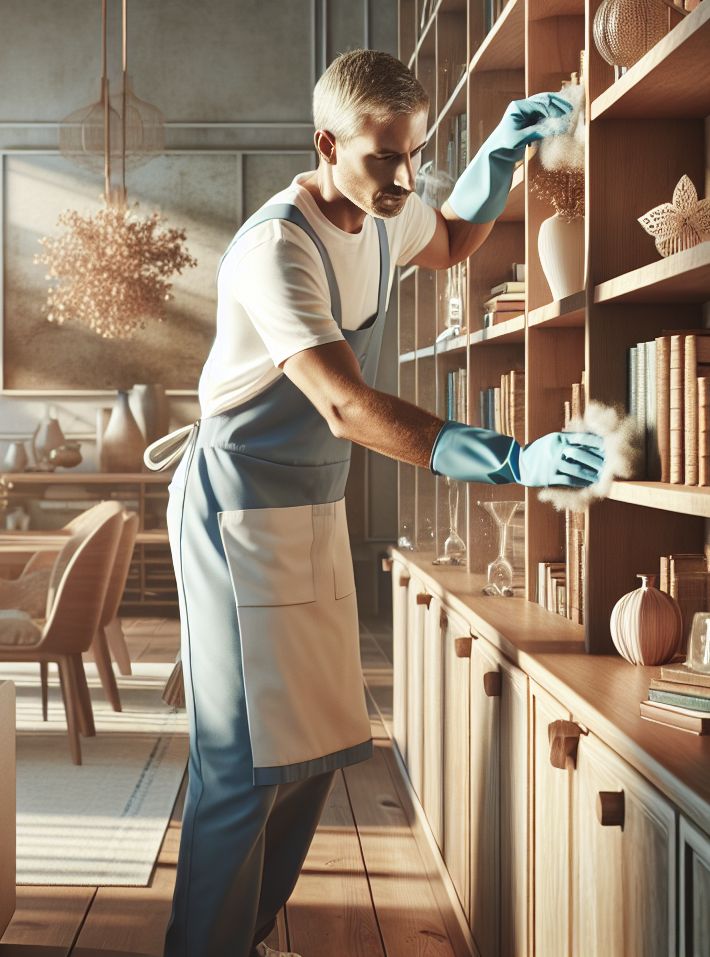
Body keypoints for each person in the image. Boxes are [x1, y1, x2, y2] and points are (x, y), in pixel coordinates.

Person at [156, 50, 604, 957]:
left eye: (415, 154)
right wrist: (513, 458)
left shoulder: (381, 214)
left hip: (309, 507)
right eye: (383, 157)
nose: (405, 177)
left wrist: (502, 154)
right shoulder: (276, 246)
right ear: (327, 143)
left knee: (313, 752)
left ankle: (239, 937)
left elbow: (452, 239)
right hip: (233, 507)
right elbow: (343, 404)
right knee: (242, 765)